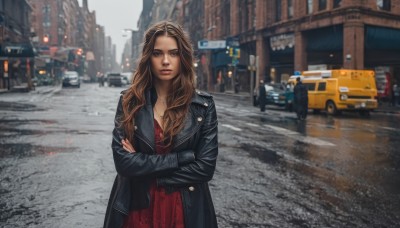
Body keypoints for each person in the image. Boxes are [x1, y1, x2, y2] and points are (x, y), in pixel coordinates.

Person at [103, 21, 219, 228]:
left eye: (173, 53)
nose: (166, 61)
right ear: (148, 57)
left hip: (185, 211)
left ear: (182, 57)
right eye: (158, 53)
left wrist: (147, 170)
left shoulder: (203, 106)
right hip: (138, 210)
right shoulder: (130, 102)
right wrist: (182, 158)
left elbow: (204, 168)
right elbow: (124, 163)